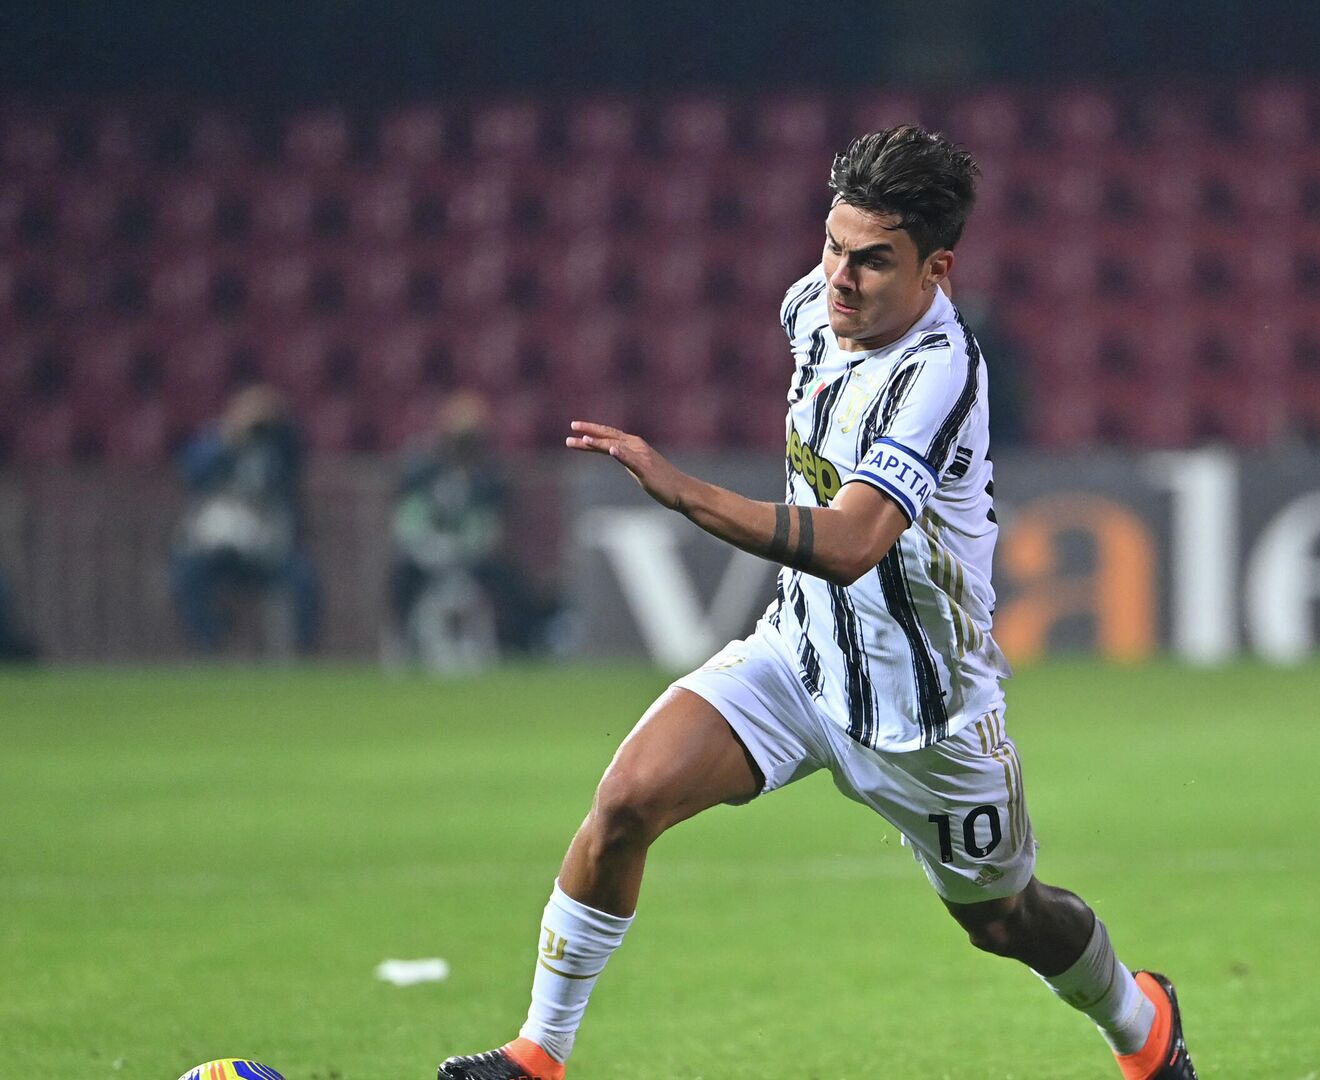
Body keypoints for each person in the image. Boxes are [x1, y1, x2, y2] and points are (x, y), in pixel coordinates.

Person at [440, 126, 1195, 1080]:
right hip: (796, 657)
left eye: (873, 261)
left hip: (925, 717)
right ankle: (539, 1055)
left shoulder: (937, 372)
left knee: (1006, 921)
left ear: (936, 268)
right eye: (833, 245)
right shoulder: (813, 303)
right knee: (626, 800)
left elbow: (848, 544)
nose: (840, 277)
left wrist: (683, 490)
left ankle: (1143, 1022)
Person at [390, 391, 542, 662]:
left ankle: (518, 644)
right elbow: (410, 519)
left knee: (509, 578)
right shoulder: (423, 472)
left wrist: (467, 548)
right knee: (401, 576)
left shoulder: (490, 478)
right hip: (428, 552)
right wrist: (430, 548)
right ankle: (401, 641)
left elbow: (490, 527)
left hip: (473, 555)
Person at [170, 385, 319, 654]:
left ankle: (303, 654)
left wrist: (275, 417)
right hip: (218, 545)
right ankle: (212, 645)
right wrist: (231, 434)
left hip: (267, 548)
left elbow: (298, 453)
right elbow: (192, 472)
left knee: (304, 580)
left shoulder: (278, 445)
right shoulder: (215, 439)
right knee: (187, 574)